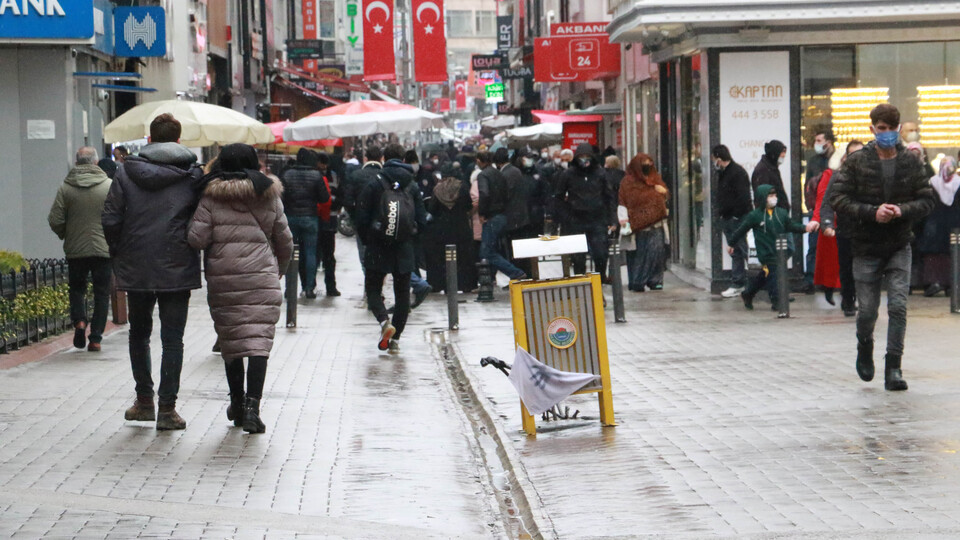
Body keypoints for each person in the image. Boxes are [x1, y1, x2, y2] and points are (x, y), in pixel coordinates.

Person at [101, 113, 204, 430]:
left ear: (149, 139)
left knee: (139, 333)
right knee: (173, 339)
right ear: (178, 139)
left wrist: (120, 251)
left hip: (138, 263)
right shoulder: (192, 175)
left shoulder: (126, 172)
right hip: (177, 262)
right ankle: (167, 410)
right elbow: (202, 219)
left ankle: (144, 402)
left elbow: (111, 218)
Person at [187, 144, 293, 434]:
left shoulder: (211, 197)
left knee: (232, 341)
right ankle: (252, 408)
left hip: (225, 280)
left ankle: (236, 402)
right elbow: (284, 239)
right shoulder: (269, 194)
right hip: (262, 279)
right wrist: (279, 270)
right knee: (259, 342)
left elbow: (197, 239)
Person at [830, 103, 935, 391]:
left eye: (891, 129)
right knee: (867, 311)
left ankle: (894, 366)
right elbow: (838, 198)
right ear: (872, 129)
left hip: (899, 243)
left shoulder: (910, 161)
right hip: (866, 245)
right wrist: (871, 212)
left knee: (898, 306)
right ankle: (864, 345)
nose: (887, 133)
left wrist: (902, 210)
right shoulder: (857, 161)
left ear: (898, 129)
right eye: (881, 129)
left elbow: (927, 199)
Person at [354, 143, 427, 353]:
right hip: (403, 246)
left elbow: (361, 217)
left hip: (378, 245)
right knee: (402, 294)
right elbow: (422, 220)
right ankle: (396, 340)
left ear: (384, 159)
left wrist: (369, 239)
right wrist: (410, 236)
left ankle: (384, 321)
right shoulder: (411, 185)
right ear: (403, 160)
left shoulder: (375, 183)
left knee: (373, 289)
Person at [48, 146, 113, 352]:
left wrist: (67, 234)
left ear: (76, 163)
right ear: (96, 162)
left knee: (77, 288)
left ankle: (80, 321)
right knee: (102, 293)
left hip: (76, 249)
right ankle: (95, 338)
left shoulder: (65, 188)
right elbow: (118, 216)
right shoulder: (109, 186)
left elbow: (55, 219)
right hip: (103, 249)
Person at [728, 185, 815, 311]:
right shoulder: (755, 216)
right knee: (773, 273)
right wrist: (731, 243)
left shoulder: (781, 213)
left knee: (767, 274)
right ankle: (776, 300)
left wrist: (805, 228)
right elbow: (741, 230)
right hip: (765, 252)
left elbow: (790, 225)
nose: (773, 198)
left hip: (779, 250)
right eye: (770, 195)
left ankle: (748, 293)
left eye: (774, 195)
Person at [554, 144, 617, 279]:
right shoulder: (568, 174)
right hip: (576, 219)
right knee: (578, 255)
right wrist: (565, 216)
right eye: (581, 157)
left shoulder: (600, 173)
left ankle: (600, 276)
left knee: (600, 252)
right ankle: (580, 277)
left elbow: (609, 197)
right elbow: (558, 197)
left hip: (597, 218)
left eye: (587, 156)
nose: (584, 159)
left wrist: (612, 219)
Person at [817, 140, 865, 316]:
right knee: (847, 267)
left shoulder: (872, 176)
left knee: (866, 267)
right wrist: (827, 223)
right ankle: (848, 300)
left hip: (867, 228)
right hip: (846, 228)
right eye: (853, 155)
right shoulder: (838, 177)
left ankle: (864, 300)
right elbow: (827, 202)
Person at [280, 148, 329, 298]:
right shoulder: (316, 175)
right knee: (310, 253)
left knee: (291, 253)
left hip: (291, 218)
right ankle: (309, 288)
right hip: (310, 218)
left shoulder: (287, 174)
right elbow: (324, 198)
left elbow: (281, 197)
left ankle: (290, 288)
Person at [618, 154, 669, 292]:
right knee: (639, 255)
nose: (648, 166)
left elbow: (664, 195)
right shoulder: (628, 182)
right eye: (645, 163)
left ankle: (655, 281)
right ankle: (637, 281)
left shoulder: (655, 178)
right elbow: (623, 201)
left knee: (656, 253)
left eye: (650, 163)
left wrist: (663, 192)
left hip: (656, 223)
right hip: (638, 225)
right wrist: (624, 219)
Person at [477, 151, 527, 282]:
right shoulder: (499, 173)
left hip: (492, 216)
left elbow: (484, 194)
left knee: (486, 251)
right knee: (494, 248)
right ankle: (488, 281)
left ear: (479, 161)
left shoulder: (483, 175)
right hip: (502, 215)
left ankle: (515, 272)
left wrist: (482, 213)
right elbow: (506, 194)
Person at [713, 145, 753, 298]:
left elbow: (743, 197)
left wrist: (736, 216)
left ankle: (752, 281)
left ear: (718, 158)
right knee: (736, 251)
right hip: (728, 218)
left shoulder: (737, 172)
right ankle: (738, 282)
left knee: (742, 250)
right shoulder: (724, 173)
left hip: (737, 218)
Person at [917, 156, 960, 297]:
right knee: (937, 254)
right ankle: (937, 283)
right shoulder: (934, 182)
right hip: (939, 224)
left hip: (943, 223)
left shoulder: (955, 182)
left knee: (950, 253)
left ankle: (948, 284)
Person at [424, 176, 475, 292]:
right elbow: (469, 205)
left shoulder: (438, 189)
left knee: (443, 258)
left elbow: (432, 208)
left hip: (442, 228)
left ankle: (443, 284)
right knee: (463, 257)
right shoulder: (462, 187)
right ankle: (465, 284)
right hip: (461, 227)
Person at [803, 130, 837, 293]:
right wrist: (809, 205)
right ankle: (811, 280)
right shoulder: (814, 161)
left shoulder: (837, 160)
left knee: (832, 246)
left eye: (819, 140)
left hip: (833, 209)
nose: (816, 144)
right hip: (816, 208)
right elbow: (808, 185)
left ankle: (830, 280)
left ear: (828, 142)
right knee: (814, 246)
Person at [344, 145, 384, 272]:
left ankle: (368, 277)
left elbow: (348, 200)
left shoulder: (356, 175)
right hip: (382, 222)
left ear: (366, 159)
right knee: (381, 254)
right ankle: (378, 279)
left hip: (361, 221)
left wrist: (354, 216)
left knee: (364, 254)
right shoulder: (384, 175)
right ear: (381, 158)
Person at [314, 152, 340, 296]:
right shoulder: (333, 175)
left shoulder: (316, 175)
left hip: (320, 218)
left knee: (318, 254)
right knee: (328, 255)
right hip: (330, 219)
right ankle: (330, 287)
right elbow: (339, 193)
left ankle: (311, 286)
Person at [751, 140, 790, 211]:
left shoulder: (772, 168)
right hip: (771, 213)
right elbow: (763, 196)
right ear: (774, 154)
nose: (783, 156)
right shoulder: (763, 170)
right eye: (781, 154)